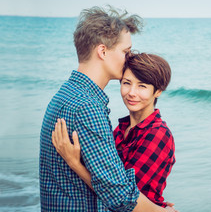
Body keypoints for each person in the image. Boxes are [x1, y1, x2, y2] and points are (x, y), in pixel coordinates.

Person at [39, 5, 177, 212]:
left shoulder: (66, 94)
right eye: (126, 51)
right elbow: (119, 195)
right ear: (102, 51)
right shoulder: (87, 107)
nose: (129, 59)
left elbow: (113, 182)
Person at [52, 52, 175, 207]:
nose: (131, 92)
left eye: (142, 86)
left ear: (158, 91)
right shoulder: (121, 129)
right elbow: (107, 182)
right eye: (126, 83)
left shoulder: (157, 134)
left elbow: (122, 197)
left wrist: (74, 163)